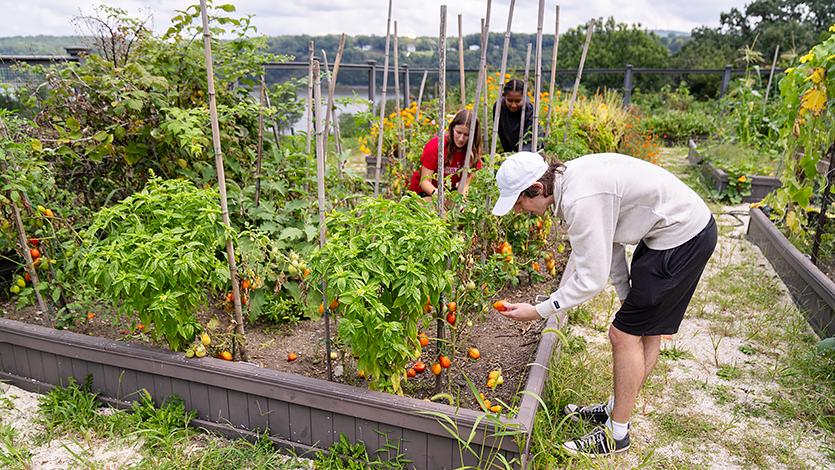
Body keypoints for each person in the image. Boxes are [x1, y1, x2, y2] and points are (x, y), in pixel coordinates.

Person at [491, 151, 717, 457]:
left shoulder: (578, 200)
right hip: (668, 232)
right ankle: (616, 409)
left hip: (681, 237)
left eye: (519, 201)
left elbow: (590, 280)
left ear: (536, 188)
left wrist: (538, 311)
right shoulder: (570, 181)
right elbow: (609, 242)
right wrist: (626, 291)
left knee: (622, 334)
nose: (519, 210)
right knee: (644, 329)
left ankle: (616, 434)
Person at [409, 109, 482, 198]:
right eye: (458, 132)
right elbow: (425, 183)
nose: (461, 139)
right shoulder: (436, 145)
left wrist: (460, 202)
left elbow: (464, 187)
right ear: (452, 129)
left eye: (466, 135)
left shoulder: (472, 152)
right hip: (423, 193)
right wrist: (442, 199)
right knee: (436, 209)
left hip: (448, 193)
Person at [494, 79, 534, 153]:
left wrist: (520, 156)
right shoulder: (499, 107)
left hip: (527, 151)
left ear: (524, 98)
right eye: (509, 101)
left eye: (518, 101)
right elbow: (501, 134)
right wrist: (508, 153)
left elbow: (529, 138)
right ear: (504, 97)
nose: (513, 105)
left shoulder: (529, 109)